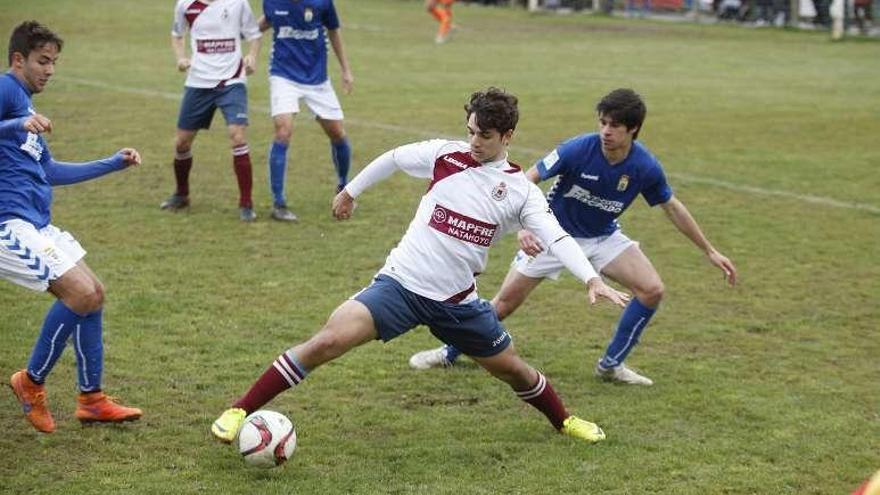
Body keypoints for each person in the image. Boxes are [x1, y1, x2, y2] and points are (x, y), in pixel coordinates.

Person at [211, 87, 630, 445]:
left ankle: (565, 421)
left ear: (507, 136)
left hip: (458, 304)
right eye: (470, 131)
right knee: (327, 341)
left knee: (514, 371)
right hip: (401, 286)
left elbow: (556, 236)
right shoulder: (444, 157)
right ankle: (239, 410)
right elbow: (393, 158)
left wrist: (591, 277)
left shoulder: (520, 192)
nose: (473, 142)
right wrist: (350, 191)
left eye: (484, 136)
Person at [409, 88, 738, 386]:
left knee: (651, 290)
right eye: (602, 123)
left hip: (601, 237)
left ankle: (610, 366)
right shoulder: (579, 149)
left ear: (632, 129)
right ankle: (448, 353)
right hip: (552, 236)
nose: (606, 131)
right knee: (504, 305)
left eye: (614, 126)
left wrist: (709, 251)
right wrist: (524, 226)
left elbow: (671, 206)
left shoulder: (645, 167)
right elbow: (526, 180)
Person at [2, 21, 143, 433]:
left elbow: (49, 171)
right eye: (42, 61)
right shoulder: (6, 90)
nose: (50, 70)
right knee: (79, 293)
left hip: (37, 224)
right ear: (18, 60)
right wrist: (14, 126)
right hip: (7, 224)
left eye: (54, 63)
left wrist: (112, 163)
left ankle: (92, 400)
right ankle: (30, 383)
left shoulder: (25, 108)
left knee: (94, 294)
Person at [160, 0, 263, 222]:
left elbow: (255, 35)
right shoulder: (186, 5)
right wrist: (180, 58)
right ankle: (182, 194)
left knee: (238, 137)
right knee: (181, 143)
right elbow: (177, 34)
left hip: (232, 81)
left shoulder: (238, 4)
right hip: (198, 82)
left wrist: (252, 57)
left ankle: (246, 203)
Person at [260, 0, 354, 222]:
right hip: (283, 75)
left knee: (338, 133)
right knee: (283, 131)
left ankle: (343, 187)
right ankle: (279, 203)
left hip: (317, 79)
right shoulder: (272, 2)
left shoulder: (323, 3)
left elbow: (334, 32)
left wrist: (345, 70)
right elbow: (262, 24)